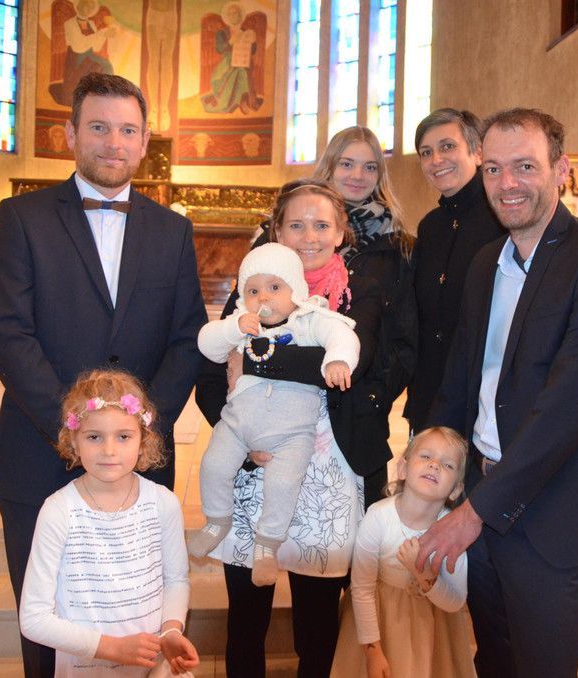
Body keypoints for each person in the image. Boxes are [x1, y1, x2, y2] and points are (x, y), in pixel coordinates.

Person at [0, 72, 206, 677]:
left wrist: (140, 424)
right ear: (71, 134)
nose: (114, 142)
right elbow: (9, 334)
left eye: (128, 130)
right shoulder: (23, 217)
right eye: (100, 127)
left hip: (139, 460)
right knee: (46, 631)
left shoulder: (173, 229)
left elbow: (187, 337)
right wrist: (75, 426)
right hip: (38, 454)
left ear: (145, 142)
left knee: (141, 619)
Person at [417, 108, 578, 677]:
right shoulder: (485, 265)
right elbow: (462, 379)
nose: (507, 183)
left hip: (555, 508)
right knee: (493, 659)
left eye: (525, 166)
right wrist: (433, 472)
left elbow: (568, 408)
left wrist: (473, 513)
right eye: (494, 169)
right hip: (481, 490)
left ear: (561, 170)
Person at [194, 178, 382, 678]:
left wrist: (258, 360)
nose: (309, 236)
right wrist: (239, 439)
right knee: (246, 615)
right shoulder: (252, 287)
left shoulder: (360, 292)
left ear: (340, 232)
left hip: (327, 467)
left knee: (317, 622)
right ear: (277, 230)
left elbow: (362, 362)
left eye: (321, 225)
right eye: (296, 225)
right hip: (256, 459)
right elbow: (210, 375)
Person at [189, 242, 360, 586]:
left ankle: (267, 544)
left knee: (283, 485)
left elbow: (342, 335)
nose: (263, 297)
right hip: (236, 426)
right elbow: (207, 344)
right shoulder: (241, 323)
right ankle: (216, 520)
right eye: (253, 291)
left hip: (292, 434)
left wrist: (338, 360)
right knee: (213, 466)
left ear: (295, 290)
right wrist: (234, 328)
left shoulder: (309, 320)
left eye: (275, 287)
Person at [19, 370, 199, 677]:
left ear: (143, 441)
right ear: (74, 441)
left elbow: (176, 580)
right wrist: (111, 647)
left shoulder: (163, 503)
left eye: (124, 436)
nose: (109, 450)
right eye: (94, 437)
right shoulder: (59, 511)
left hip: (153, 667)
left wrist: (171, 630)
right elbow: (34, 619)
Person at [313, 125, 418, 505]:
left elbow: (406, 337)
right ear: (329, 167)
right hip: (293, 408)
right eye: (347, 164)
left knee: (363, 529)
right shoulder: (291, 232)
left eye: (369, 167)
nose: (358, 175)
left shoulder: (399, 247)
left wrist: (375, 396)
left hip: (362, 415)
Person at [331, 427, 476, 678]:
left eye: (448, 465)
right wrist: (373, 652)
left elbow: (455, 601)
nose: (434, 465)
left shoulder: (452, 533)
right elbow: (362, 588)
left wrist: (424, 576)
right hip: (379, 624)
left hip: (430, 631)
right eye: (426, 456)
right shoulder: (378, 516)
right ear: (403, 468)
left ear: (455, 489)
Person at [407, 108, 506, 432]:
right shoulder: (430, 226)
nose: (436, 159)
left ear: (477, 152)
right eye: (426, 152)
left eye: (447, 146)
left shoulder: (502, 219)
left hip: (483, 397)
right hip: (430, 394)